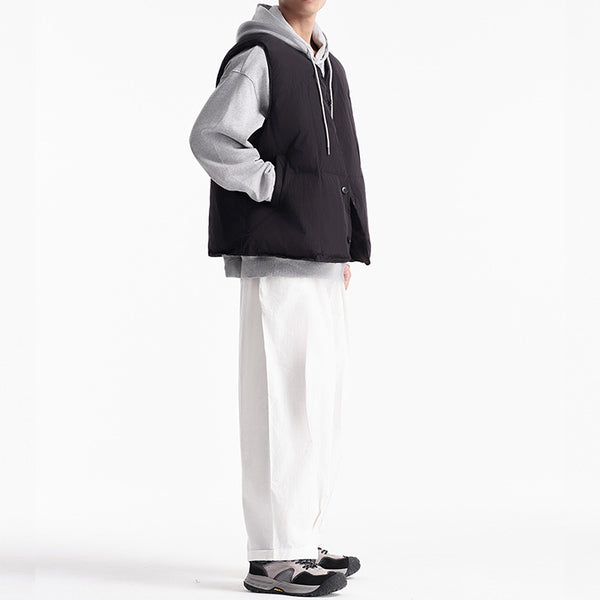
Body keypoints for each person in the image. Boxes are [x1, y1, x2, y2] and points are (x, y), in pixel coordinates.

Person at [189, 1, 371, 595]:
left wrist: (343, 242)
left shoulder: (329, 67)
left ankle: (301, 540)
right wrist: (270, 183)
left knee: (319, 403)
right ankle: (271, 556)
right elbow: (211, 135)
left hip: (321, 258)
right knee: (282, 400)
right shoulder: (259, 57)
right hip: (279, 255)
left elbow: (339, 163)